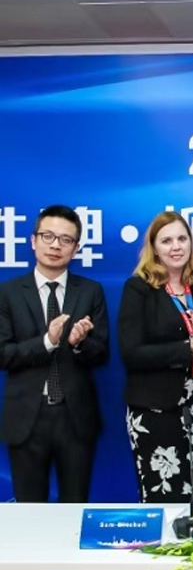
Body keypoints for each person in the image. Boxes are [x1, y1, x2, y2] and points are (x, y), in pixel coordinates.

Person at [0, 204, 109, 502]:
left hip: (75, 419)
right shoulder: (7, 293)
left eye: (65, 239)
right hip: (26, 419)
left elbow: (102, 354)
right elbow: (3, 354)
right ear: (33, 241)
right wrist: (47, 342)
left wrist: (78, 343)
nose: (55, 245)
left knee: (75, 506)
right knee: (30, 511)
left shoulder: (90, 291)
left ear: (76, 248)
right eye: (47, 236)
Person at [117, 211, 193, 503]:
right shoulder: (138, 288)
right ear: (154, 248)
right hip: (156, 409)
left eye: (182, 239)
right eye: (166, 241)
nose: (176, 247)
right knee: (164, 495)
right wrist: (190, 346)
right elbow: (131, 353)